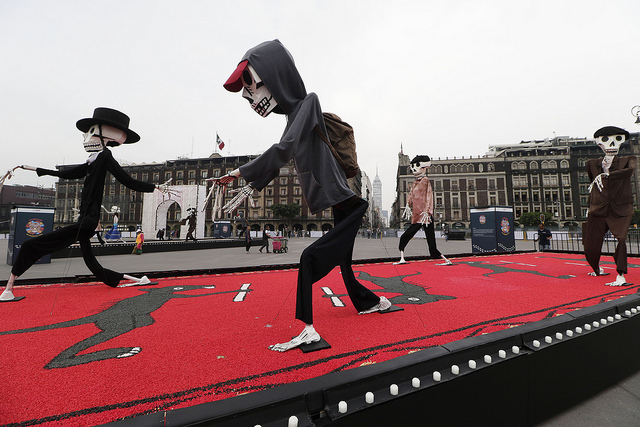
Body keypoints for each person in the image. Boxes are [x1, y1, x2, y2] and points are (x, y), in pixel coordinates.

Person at [219, 40, 390, 351]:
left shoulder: (308, 102)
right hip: (339, 200)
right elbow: (283, 155)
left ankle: (308, 328)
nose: (247, 95)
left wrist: (242, 172)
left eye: (250, 84)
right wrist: (246, 182)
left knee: (309, 258)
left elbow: (283, 150)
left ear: (276, 76)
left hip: (348, 200)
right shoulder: (291, 117)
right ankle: (370, 303)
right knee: (344, 261)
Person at [0, 107, 171, 302]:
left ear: (104, 133)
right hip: (85, 219)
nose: (85, 137)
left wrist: (155, 186)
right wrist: (33, 168)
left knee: (32, 245)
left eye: (90, 131)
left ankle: (8, 288)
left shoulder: (105, 157)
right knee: (92, 264)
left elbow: (127, 180)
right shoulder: (93, 159)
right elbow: (69, 173)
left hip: (88, 221)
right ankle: (136, 280)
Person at [583, 126, 636, 286]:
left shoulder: (628, 160)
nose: (612, 144)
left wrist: (608, 175)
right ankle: (596, 268)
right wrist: (589, 206)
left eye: (617, 139)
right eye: (606, 139)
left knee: (621, 239)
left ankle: (620, 275)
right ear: (599, 143)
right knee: (590, 242)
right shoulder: (591, 163)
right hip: (598, 208)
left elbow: (629, 171)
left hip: (621, 208)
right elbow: (593, 185)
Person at [395, 155, 452, 266]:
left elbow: (429, 196)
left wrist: (428, 211)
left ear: (424, 167)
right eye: (412, 167)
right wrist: (407, 205)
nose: (414, 169)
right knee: (429, 241)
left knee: (408, 236)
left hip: (424, 215)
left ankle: (444, 259)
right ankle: (442, 258)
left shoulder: (425, 181)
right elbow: (411, 195)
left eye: (417, 166)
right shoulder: (415, 183)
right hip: (418, 215)